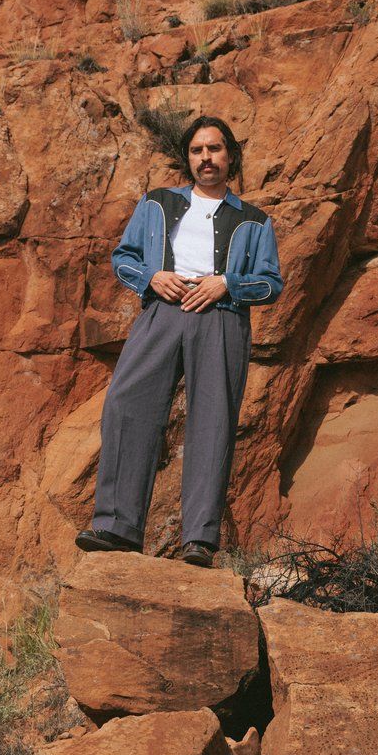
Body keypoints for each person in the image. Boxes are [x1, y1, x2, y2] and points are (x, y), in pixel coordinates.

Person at [75, 115, 283, 567]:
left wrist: (228, 283)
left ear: (230, 156)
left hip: (221, 318)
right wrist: (153, 276)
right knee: (127, 405)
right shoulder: (157, 203)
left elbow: (271, 283)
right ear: (187, 158)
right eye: (197, 150)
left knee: (213, 421)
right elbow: (124, 257)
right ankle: (117, 526)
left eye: (214, 149)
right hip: (162, 311)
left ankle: (199, 540)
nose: (206, 158)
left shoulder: (254, 220)